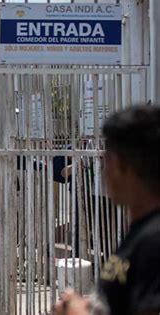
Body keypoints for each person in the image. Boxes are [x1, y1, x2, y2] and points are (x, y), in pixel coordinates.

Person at [54, 105, 160, 315]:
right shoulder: (140, 231)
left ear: (122, 165)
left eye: (105, 160)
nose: (103, 171)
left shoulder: (154, 240)